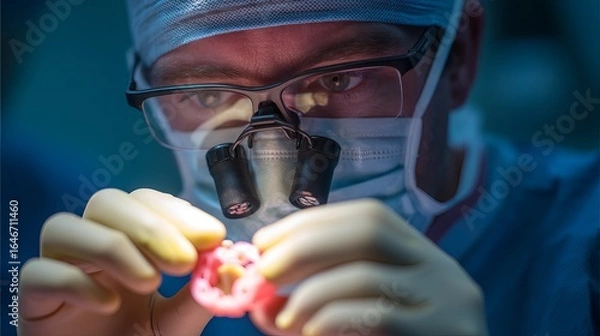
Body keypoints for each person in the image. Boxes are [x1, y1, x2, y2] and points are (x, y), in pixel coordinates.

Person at [18, 0, 599, 335]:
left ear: (460, 58)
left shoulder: (581, 257)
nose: (276, 155)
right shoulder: (141, 296)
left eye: (338, 78)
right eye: (210, 94)